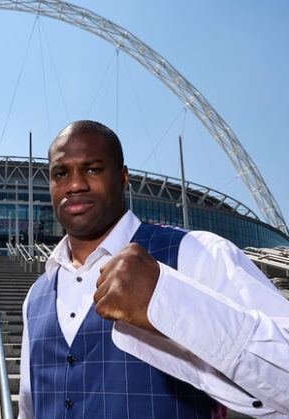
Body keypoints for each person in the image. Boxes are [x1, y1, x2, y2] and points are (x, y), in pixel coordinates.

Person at [17, 120, 289, 418]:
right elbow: (31, 407)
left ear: (123, 178)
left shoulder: (194, 253)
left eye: (93, 169)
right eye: (60, 173)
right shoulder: (36, 295)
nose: (75, 184)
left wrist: (169, 301)